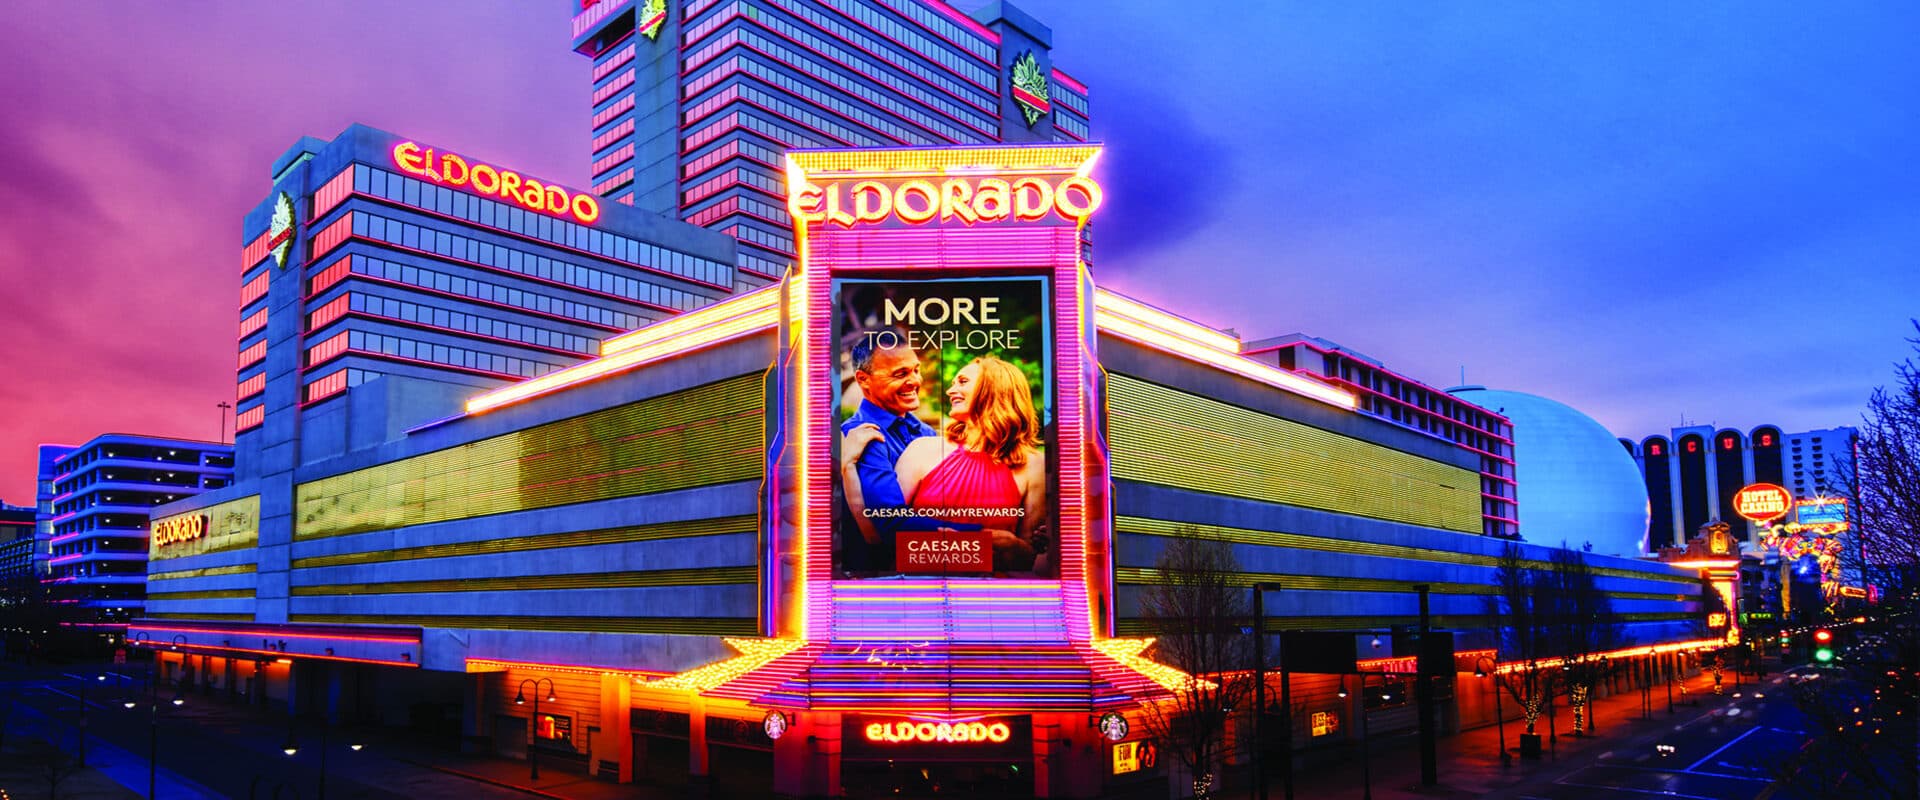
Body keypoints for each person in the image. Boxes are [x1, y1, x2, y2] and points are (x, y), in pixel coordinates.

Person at [851, 356, 1048, 573]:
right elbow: (881, 532)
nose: (950, 390)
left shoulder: (1033, 465)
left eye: (962, 382)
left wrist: (1016, 546)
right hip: (917, 589)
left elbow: (1028, 558)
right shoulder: (923, 449)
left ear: (995, 388)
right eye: (953, 383)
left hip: (990, 596)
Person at [837, 331, 939, 572]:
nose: (915, 381)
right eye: (900, 374)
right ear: (863, 380)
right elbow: (889, 524)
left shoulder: (926, 433)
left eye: (916, 369)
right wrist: (983, 536)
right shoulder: (860, 436)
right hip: (883, 579)